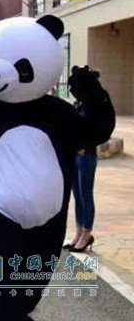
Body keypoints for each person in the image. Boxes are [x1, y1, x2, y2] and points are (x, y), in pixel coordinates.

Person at [64, 82, 100, 253]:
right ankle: (79, 232)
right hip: (74, 155)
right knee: (77, 196)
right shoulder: (77, 104)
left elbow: (97, 130)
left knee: (86, 195)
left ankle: (87, 233)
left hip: (86, 155)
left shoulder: (94, 105)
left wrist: (84, 145)